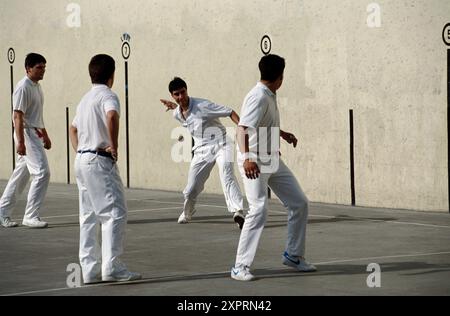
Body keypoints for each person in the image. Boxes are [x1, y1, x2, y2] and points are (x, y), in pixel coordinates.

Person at [231, 54, 317, 281]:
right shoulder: (258, 96)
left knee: (299, 203)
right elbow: (242, 129)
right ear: (280, 77)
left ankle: (293, 255)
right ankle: (240, 266)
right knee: (258, 209)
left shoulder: (269, 94)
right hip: (255, 162)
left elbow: (263, 124)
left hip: (272, 160)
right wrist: (248, 158)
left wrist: (282, 134)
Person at [69, 54, 141, 284]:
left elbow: (73, 129)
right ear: (112, 75)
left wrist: (81, 151)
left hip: (81, 160)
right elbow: (111, 116)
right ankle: (112, 267)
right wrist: (114, 145)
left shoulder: (84, 100)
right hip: (99, 160)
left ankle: (89, 270)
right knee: (114, 213)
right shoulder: (108, 95)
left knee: (88, 216)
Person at [160, 77, 246, 229]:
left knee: (227, 174)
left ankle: (238, 212)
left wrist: (242, 128)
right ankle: (188, 212)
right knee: (192, 187)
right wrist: (175, 108)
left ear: (187, 90)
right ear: (172, 95)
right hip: (201, 150)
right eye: (176, 94)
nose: (181, 97)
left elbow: (229, 112)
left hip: (222, 144)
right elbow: (187, 120)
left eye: (183, 92)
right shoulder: (176, 113)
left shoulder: (203, 105)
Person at [0, 53, 51, 229]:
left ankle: (2, 211)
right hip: (26, 134)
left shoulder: (37, 87)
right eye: (39, 67)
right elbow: (17, 116)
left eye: (44, 67)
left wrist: (45, 134)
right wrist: (20, 142)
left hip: (34, 133)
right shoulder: (23, 87)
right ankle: (30, 216)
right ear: (28, 68)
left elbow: (36, 115)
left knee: (20, 175)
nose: (43, 70)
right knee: (42, 173)